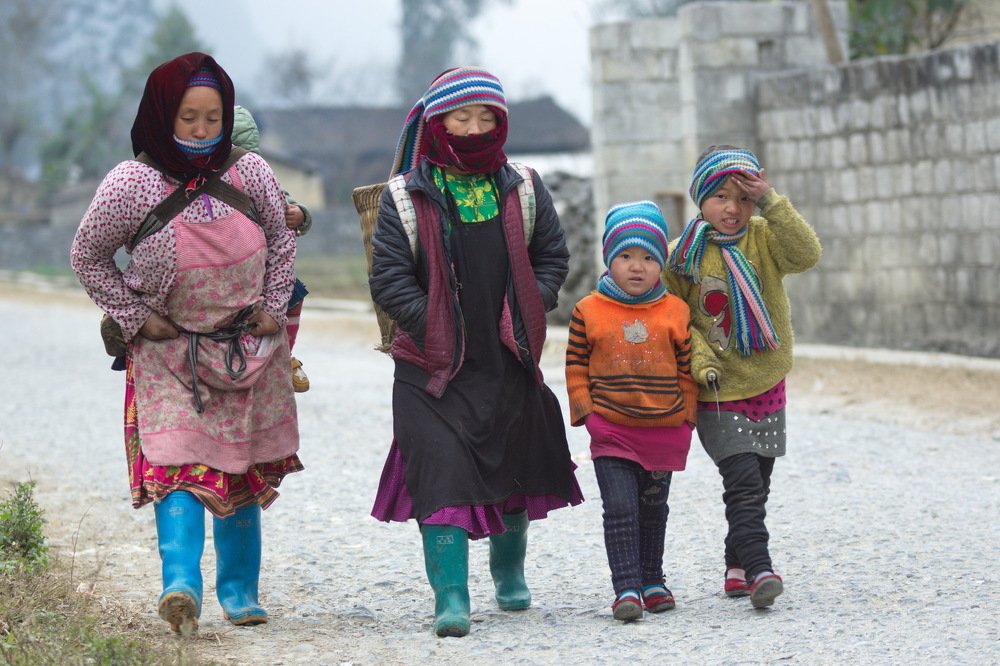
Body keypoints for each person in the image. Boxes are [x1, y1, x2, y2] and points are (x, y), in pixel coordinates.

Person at [70, 52, 304, 635]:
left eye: (213, 118)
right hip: (169, 356)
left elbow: (281, 238)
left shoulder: (251, 173)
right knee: (176, 465)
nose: (202, 131)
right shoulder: (131, 184)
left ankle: (240, 591)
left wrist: (274, 309)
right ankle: (181, 586)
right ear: (160, 117)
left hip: (246, 352)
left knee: (242, 470)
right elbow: (87, 255)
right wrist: (131, 316)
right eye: (188, 118)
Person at [368, 66, 583, 638]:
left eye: (486, 118)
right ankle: (451, 596)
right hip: (431, 369)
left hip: (508, 359)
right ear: (437, 124)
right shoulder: (405, 197)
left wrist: (526, 310)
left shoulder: (524, 186)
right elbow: (390, 280)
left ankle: (508, 572)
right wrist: (440, 328)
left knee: (513, 466)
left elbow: (552, 259)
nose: (473, 129)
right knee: (439, 471)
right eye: (461, 118)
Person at [662, 145, 821, 609]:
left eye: (743, 199)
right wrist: (700, 361)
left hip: (767, 380)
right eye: (720, 197)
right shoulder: (680, 257)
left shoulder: (765, 238)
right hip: (716, 388)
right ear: (700, 198)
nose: (733, 209)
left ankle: (735, 565)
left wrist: (771, 201)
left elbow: (806, 253)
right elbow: (674, 319)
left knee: (760, 482)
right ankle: (759, 569)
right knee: (743, 483)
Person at [565, 201, 697, 622]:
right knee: (620, 507)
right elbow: (575, 365)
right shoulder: (588, 310)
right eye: (625, 256)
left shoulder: (676, 311)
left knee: (653, 507)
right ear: (609, 258)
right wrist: (588, 414)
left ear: (661, 264)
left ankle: (652, 579)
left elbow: (688, 369)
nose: (636, 267)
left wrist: (688, 418)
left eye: (648, 257)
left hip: (664, 430)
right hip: (612, 431)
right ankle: (626, 588)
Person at [231, 104, 311, 392]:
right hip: (225, 268)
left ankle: (285, 353)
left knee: (293, 294)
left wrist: (300, 214)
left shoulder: (263, 179)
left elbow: (288, 202)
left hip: (267, 270)